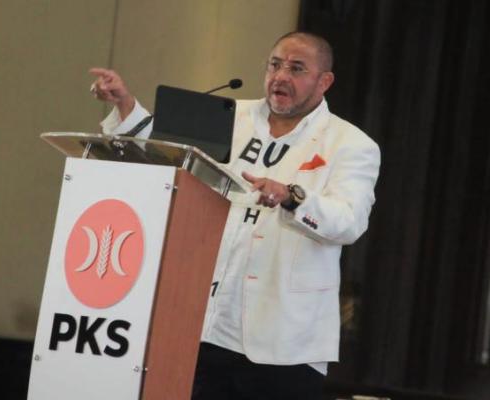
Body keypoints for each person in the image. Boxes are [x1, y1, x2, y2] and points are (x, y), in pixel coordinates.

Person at [89, 31, 380, 400]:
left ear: (324, 81)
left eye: (296, 68)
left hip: (285, 341)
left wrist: (292, 197)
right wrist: (126, 106)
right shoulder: (229, 116)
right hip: (204, 325)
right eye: (275, 65)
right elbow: (166, 153)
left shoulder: (350, 144)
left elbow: (349, 222)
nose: (280, 76)